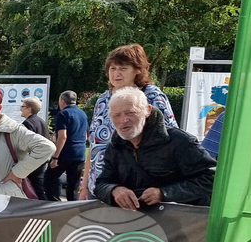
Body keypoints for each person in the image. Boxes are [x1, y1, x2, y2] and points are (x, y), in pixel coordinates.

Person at [94, 86, 215, 211]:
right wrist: (114, 190)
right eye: (116, 115)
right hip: (138, 221)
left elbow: (211, 178)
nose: (123, 120)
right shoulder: (114, 146)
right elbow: (101, 183)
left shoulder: (179, 141)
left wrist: (164, 193)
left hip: (184, 222)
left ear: (148, 111)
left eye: (130, 112)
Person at [81, 44, 177, 199]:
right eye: (112, 69)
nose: (116, 74)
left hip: (137, 190)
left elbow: (169, 141)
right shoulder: (102, 100)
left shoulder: (151, 96)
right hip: (100, 188)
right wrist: (84, 186)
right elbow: (94, 145)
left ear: (138, 70)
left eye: (123, 68)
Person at [45, 91, 88, 201]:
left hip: (66, 152)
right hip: (80, 153)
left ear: (62, 101)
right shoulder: (83, 114)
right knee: (73, 186)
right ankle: (72, 208)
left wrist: (55, 157)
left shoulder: (63, 114)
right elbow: (87, 135)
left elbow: (62, 136)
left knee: (49, 178)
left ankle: (54, 203)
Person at [20, 97, 50, 199]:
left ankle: (42, 208)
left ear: (29, 109)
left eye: (23, 106)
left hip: (32, 160)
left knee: (33, 187)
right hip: (42, 159)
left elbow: (24, 144)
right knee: (38, 185)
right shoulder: (41, 121)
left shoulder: (28, 124)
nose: (21, 109)